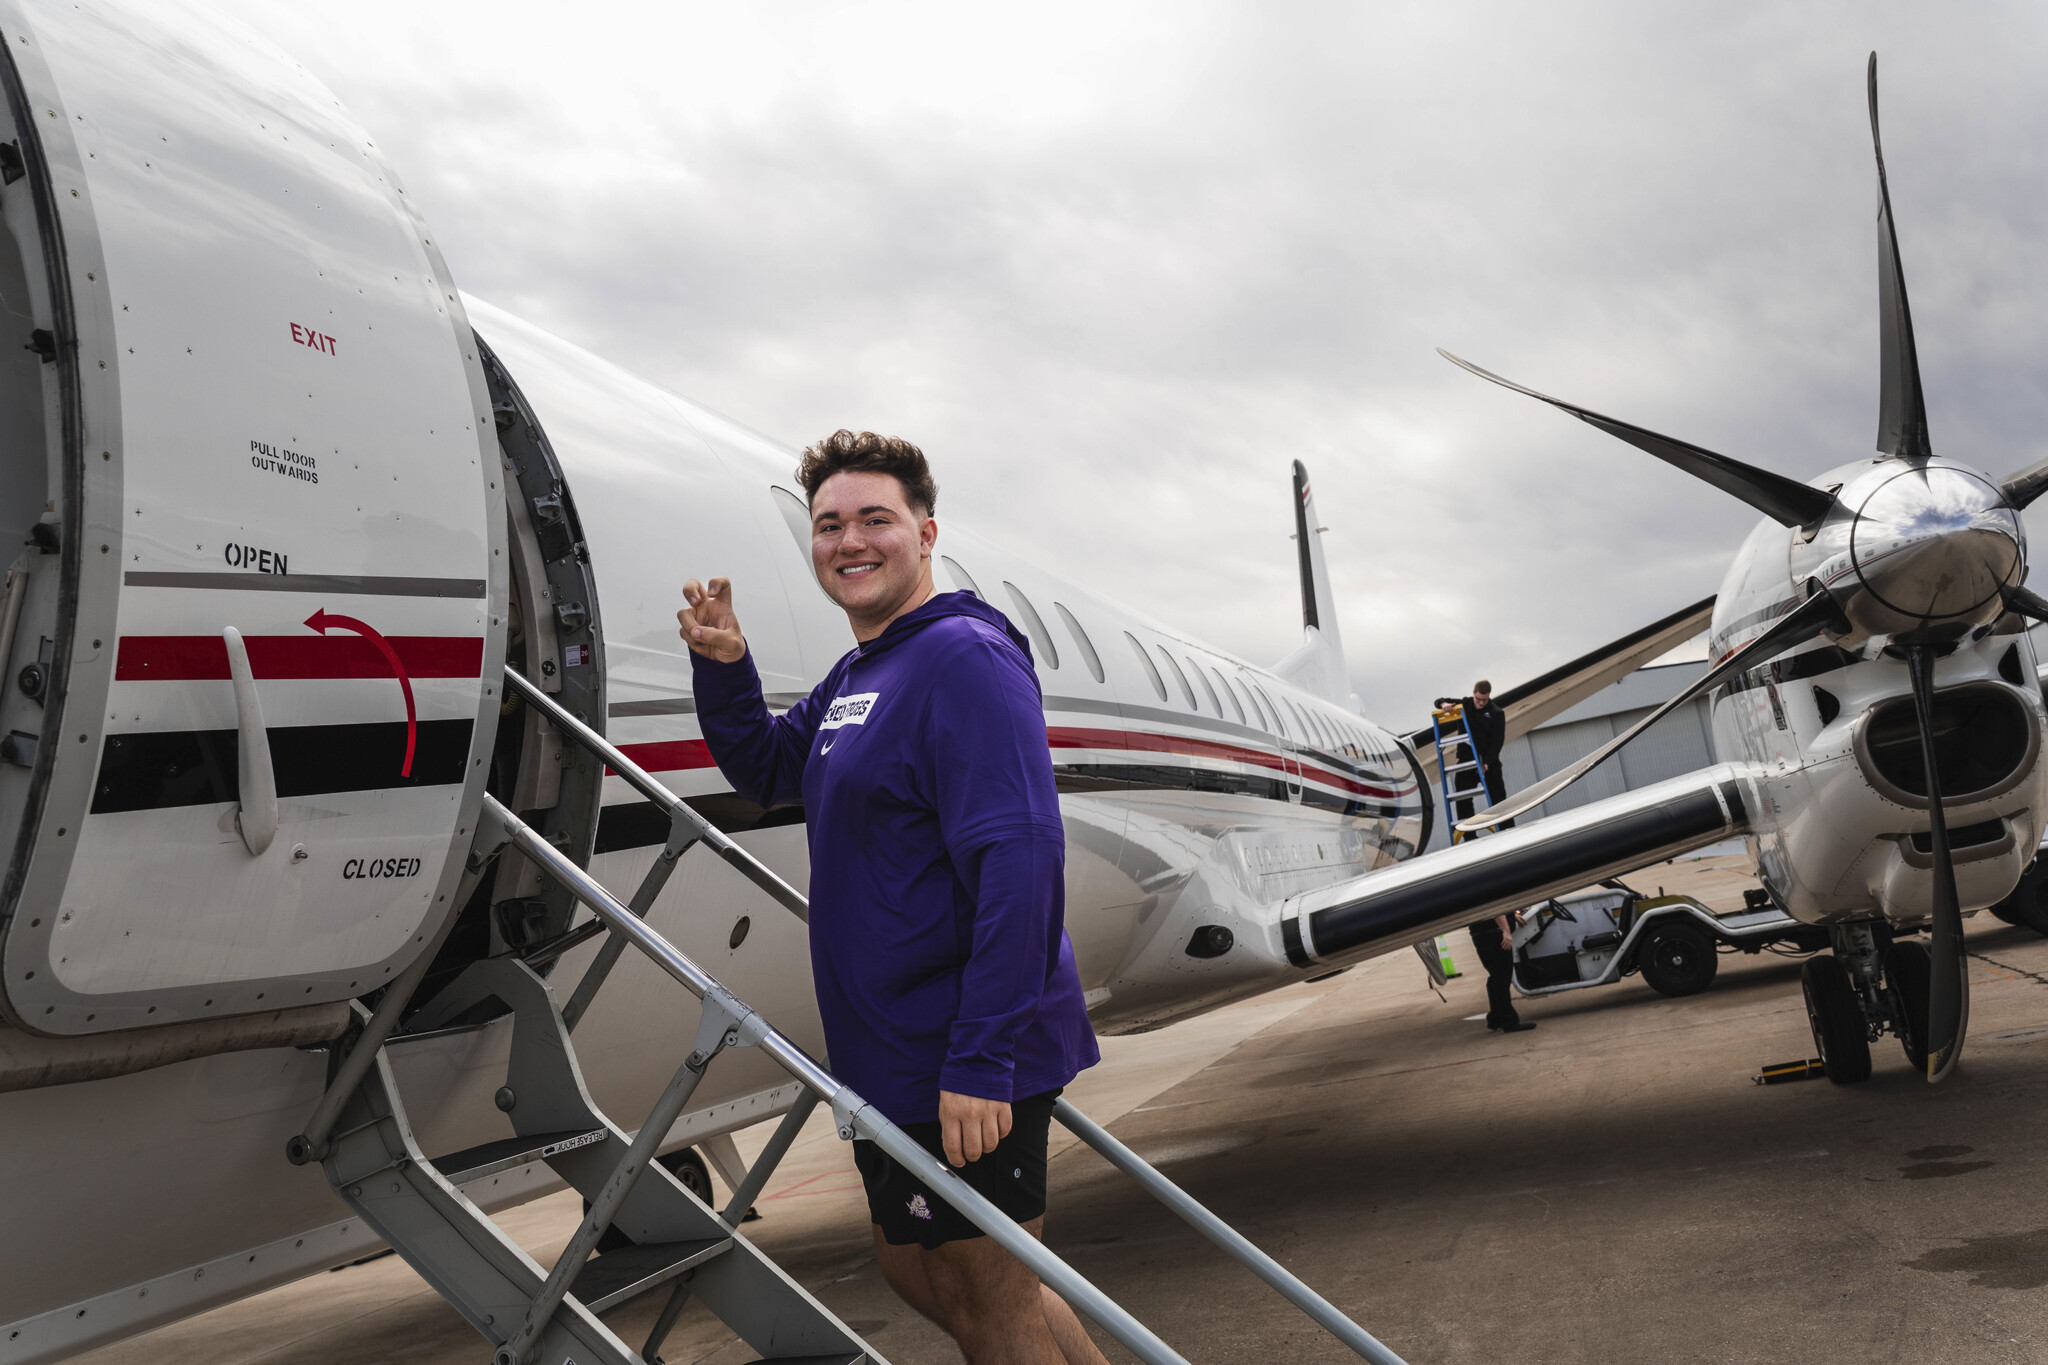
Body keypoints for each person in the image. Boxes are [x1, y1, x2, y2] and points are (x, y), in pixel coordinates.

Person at [677, 429, 1107, 1365]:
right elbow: (768, 769)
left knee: (989, 1300)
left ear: (926, 532)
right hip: (894, 1050)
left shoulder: (964, 660)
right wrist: (726, 666)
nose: (849, 540)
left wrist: (981, 1057)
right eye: (829, 524)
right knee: (927, 1271)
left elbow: (1023, 860)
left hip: (960, 1043)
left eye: (875, 518)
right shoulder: (861, 672)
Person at [1434, 680, 1511, 828]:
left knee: (1499, 799)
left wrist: (1486, 763)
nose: (1481, 703)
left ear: (1489, 696)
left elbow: (1497, 742)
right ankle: (1469, 835)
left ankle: (1507, 830)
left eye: (1484, 700)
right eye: (1478, 699)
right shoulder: (1465, 704)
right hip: (1467, 760)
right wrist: (1444, 704)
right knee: (1462, 799)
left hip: (1488, 762)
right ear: (1473, 694)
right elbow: (1439, 701)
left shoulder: (1496, 713)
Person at [1467, 911, 1535, 1034]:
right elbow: (1495, 909)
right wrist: (1506, 931)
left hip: (1480, 934)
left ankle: (1495, 1018)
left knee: (1496, 977)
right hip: (1494, 934)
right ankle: (1509, 1022)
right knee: (1502, 978)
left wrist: (1511, 916)